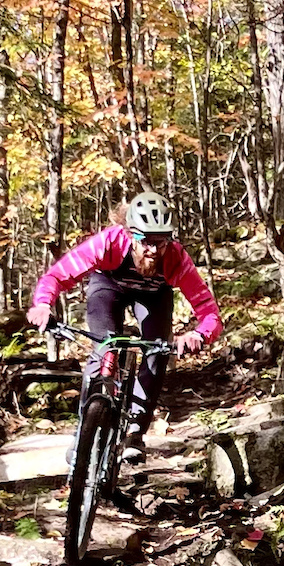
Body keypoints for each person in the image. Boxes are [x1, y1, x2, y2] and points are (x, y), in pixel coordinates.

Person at [26, 192, 222, 461]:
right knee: (105, 347)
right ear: (130, 234)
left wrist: (199, 334)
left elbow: (209, 311)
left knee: (156, 354)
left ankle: (135, 431)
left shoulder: (176, 258)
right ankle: (85, 429)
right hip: (108, 287)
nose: (153, 250)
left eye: (161, 242)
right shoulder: (108, 243)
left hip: (155, 295)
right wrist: (42, 305)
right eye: (145, 241)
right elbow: (58, 275)